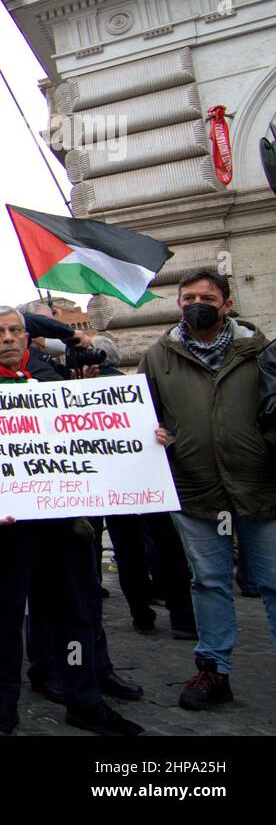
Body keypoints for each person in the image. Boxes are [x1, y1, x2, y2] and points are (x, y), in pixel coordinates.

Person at [0, 305, 142, 736]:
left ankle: (83, 698)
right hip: (7, 527)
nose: (9, 338)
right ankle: (2, 703)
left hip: (56, 523)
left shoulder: (43, 386)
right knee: (7, 618)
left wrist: (144, 437)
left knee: (70, 615)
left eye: (16, 330)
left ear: (26, 337)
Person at [137, 269, 276, 710]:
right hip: (195, 489)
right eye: (188, 296)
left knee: (274, 581)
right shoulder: (159, 355)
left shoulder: (259, 350)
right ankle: (214, 670)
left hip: (260, 485)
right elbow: (139, 413)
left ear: (227, 305)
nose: (196, 303)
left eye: (207, 297)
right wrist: (153, 433)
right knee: (209, 581)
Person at [91, 334, 196, 639]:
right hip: (150, 481)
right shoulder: (135, 387)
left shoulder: (80, 392)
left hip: (115, 486)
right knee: (168, 546)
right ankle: (182, 616)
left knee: (128, 550)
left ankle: (142, 615)